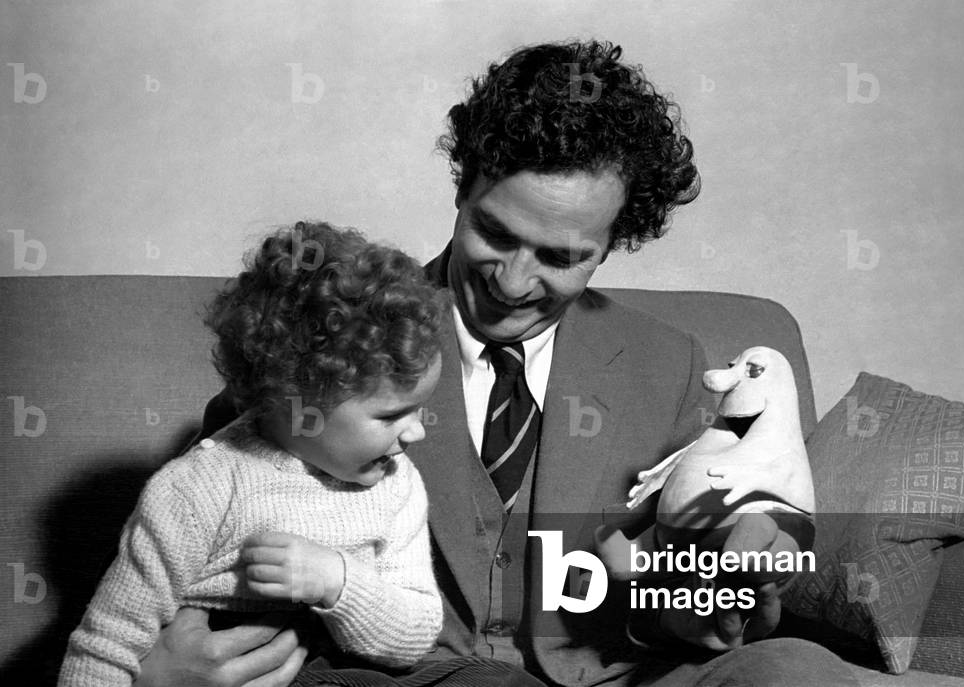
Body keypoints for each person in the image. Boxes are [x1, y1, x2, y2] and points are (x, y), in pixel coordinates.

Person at [135, 42, 858, 687]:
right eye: (494, 232)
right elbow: (210, 513)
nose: (512, 283)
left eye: (560, 256)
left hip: (614, 673)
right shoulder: (338, 330)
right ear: (462, 189)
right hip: (400, 673)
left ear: (612, 244)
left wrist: (717, 595)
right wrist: (158, 667)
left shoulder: (670, 363)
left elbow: (684, 598)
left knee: (798, 669)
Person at [59, 223, 448, 686]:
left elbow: (418, 633)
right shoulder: (196, 490)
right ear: (299, 410)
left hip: (357, 668)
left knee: (489, 679)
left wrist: (338, 583)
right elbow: (106, 645)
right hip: (232, 669)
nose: (417, 432)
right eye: (391, 416)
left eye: (419, 409)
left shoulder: (397, 483)